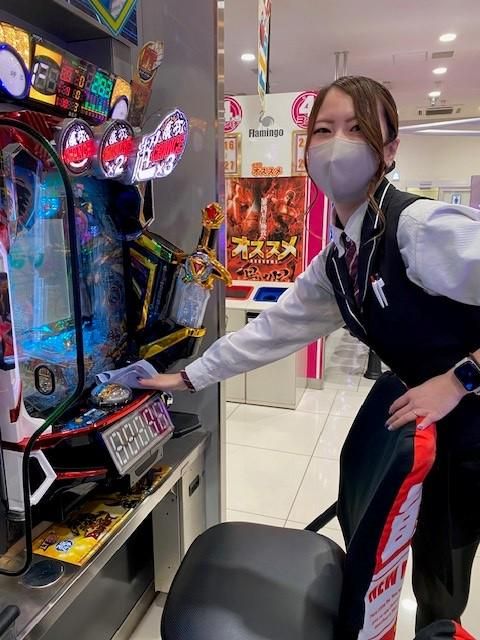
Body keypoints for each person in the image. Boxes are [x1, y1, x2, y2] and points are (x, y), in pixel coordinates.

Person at [139, 76, 480, 631]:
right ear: (306, 149)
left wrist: (460, 378)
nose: (337, 143)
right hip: (430, 433)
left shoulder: (418, 229)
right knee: (419, 570)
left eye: (357, 129)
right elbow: (271, 331)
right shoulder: (340, 258)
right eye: (324, 130)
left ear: (389, 149)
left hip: (469, 433)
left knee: (441, 591)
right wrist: (186, 379)